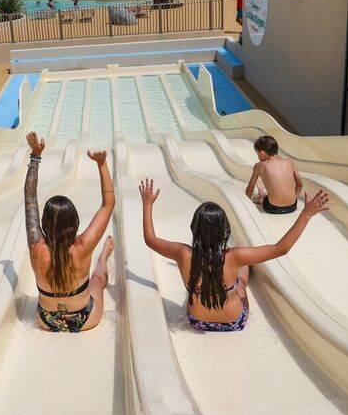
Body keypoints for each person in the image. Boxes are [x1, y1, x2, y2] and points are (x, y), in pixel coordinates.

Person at [138, 180, 329, 331]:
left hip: (197, 321)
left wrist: (147, 204)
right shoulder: (235, 256)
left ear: (195, 229)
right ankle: (242, 278)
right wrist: (305, 215)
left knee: (197, 290)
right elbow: (281, 248)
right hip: (233, 322)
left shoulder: (182, 253)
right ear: (224, 229)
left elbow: (150, 239)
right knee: (240, 284)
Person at [24, 132, 115, 332]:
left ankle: (102, 257)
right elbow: (108, 205)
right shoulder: (82, 247)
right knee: (97, 280)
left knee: (91, 282)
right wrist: (101, 164)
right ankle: (103, 257)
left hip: (46, 320)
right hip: (85, 318)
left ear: (44, 223)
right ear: (74, 222)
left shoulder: (36, 247)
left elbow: (29, 197)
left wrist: (35, 156)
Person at [244, 135, 304, 215]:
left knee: (262, 195)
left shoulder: (259, 166)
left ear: (262, 153)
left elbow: (249, 191)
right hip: (292, 206)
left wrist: (246, 202)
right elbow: (300, 184)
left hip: (272, 208)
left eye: (257, 154)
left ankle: (261, 193)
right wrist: (293, 197)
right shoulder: (289, 162)